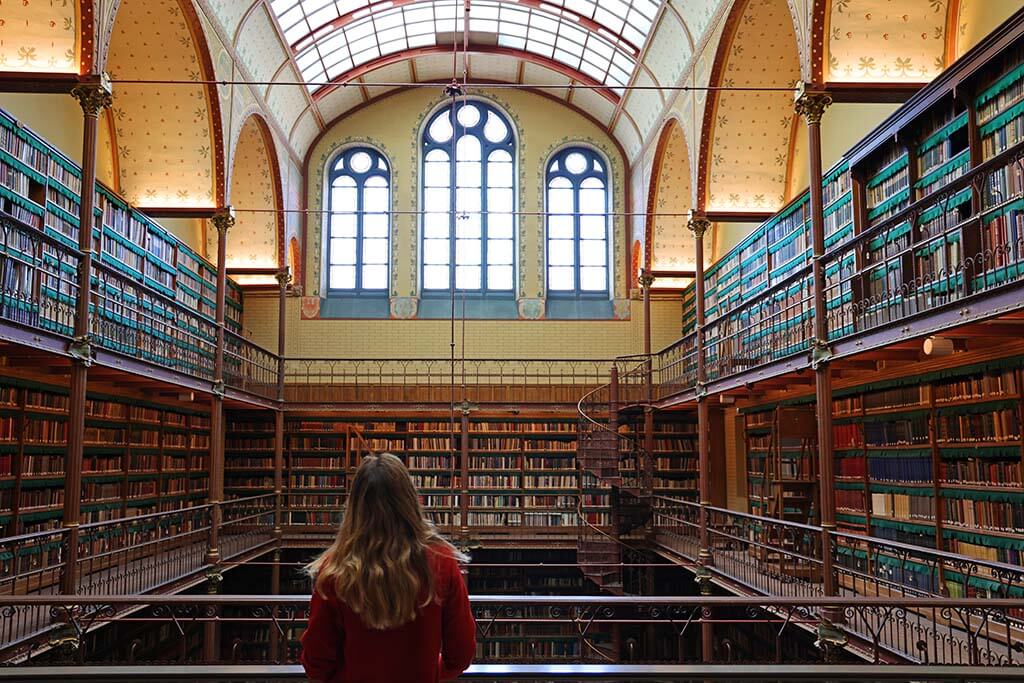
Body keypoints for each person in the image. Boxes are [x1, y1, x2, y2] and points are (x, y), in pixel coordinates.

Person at [300, 452, 476, 682]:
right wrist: (430, 672)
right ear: (410, 499)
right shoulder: (442, 563)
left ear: (354, 506)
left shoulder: (335, 571)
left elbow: (316, 662)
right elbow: (461, 654)